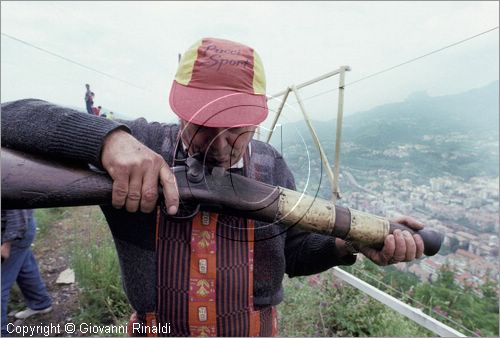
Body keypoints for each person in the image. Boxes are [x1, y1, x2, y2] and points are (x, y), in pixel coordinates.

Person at [1, 37, 424, 336]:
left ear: (257, 118)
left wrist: (347, 244)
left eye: (235, 129)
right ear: (181, 109)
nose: (222, 147)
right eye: (205, 127)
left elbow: (292, 254)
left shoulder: (272, 165)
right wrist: (107, 140)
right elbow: (11, 116)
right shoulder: (139, 144)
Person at [1, 210, 53, 336]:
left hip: (14, 234)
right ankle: (40, 303)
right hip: (19, 230)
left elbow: (16, 211)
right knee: (24, 266)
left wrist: (7, 244)